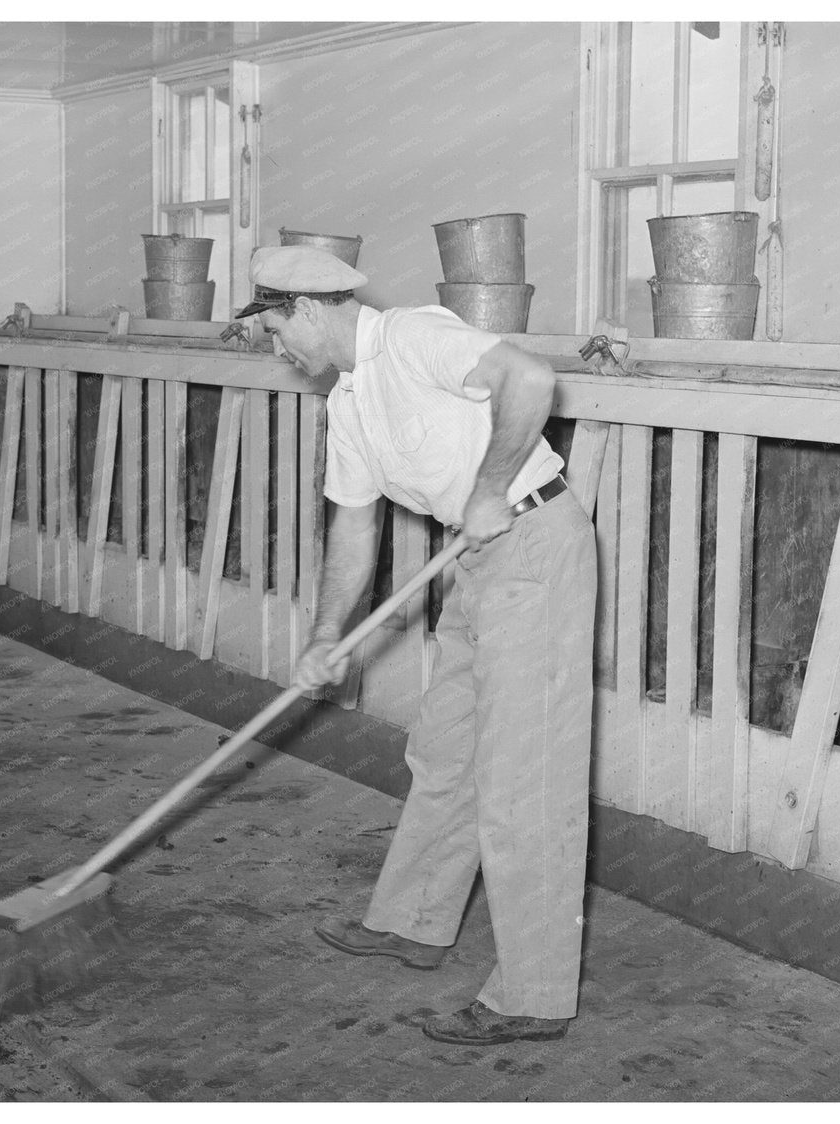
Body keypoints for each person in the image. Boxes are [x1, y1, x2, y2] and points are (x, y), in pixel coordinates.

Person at [236, 245, 596, 1046]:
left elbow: (530, 380)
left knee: (522, 778)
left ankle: (533, 996)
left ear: (304, 308)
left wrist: (492, 487)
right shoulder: (348, 403)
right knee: (447, 752)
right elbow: (353, 523)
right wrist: (329, 636)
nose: (278, 352)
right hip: (474, 559)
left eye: (273, 332)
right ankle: (415, 921)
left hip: (533, 541)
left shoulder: (412, 337)